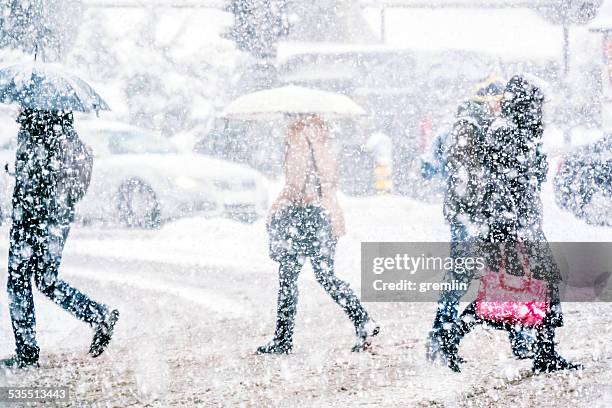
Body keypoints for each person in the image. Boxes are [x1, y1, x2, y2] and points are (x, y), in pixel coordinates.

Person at [451, 75, 583, 374]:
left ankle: (543, 352)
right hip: (511, 227)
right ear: (525, 105)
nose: (540, 113)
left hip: (517, 225)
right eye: (536, 106)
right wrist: (513, 229)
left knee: (524, 288)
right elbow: (505, 186)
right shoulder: (507, 134)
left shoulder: (514, 133)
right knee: (525, 288)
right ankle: (455, 334)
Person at [426, 77, 535, 370]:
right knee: (462, 276)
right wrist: (481, 208)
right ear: (484, 99)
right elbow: (466, 176)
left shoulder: (486, 124)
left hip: (483, 216)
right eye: (498, 99)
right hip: (471, 217)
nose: (502, 105)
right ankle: (441, 334)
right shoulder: (469, 124)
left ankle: (519, 337)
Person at [1, 109, 119, 369]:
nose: (19, 110)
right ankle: (98, 315)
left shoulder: (38, 130)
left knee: (18, 282)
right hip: (57, 217)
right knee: (46, 280)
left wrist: (23, 172)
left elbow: (39, 175)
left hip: (33, 217)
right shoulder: (65, 131)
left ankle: (27, 353)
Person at [257, 115, 378, 354]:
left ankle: (283, 339)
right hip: (327, 213)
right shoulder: (323, 138)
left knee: (288, 277)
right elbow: (328, 180)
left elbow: (296, 184)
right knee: (325, 275)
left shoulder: (298, 136)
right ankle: (362, 320)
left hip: (304, 216)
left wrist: (277, 205)